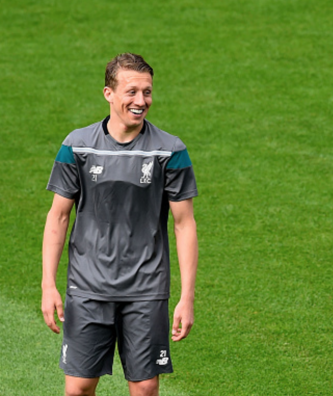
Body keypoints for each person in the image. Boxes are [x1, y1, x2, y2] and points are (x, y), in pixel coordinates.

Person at [41, 53, 199, 396]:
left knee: (144, 388)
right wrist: (47, 285)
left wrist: (186, 297)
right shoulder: (77, 146)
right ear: (108, 94)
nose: (141, 101)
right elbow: (58, 216)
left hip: (145, 288)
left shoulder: (169, 151)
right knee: (78, 389)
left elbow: (184, 224)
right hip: (87, 286)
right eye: (131, 92)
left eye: (147, 92)